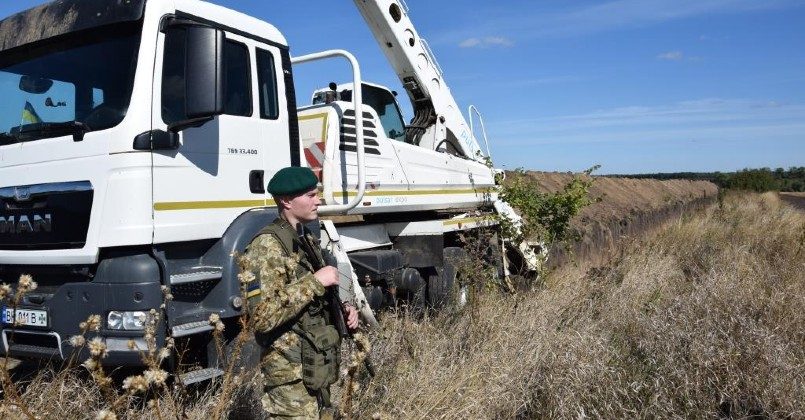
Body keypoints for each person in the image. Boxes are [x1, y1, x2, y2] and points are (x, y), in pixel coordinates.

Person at [240, 166, 359, 419]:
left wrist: (346, 307)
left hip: (315, 362)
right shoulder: (267, 246)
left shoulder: (305, 240)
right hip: (289, 373)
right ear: (286, 201)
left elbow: (323, 289)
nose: (318, 201)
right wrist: (314, 282)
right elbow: (261, 317)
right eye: (310, 195)